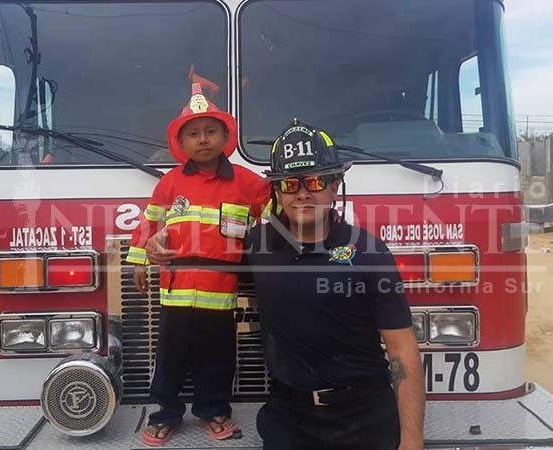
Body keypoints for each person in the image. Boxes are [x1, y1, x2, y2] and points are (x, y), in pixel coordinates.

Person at [145, 119, 425, 450]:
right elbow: (207, 259)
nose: (303, 193)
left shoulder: (370, 252)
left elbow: (402, 350)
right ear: (277, 192)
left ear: (335, 186)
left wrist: (411, 441)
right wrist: (154, 248)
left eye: (316, 181)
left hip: (365, 416)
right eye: (290, 184)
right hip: (288, 419)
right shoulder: (257, 245)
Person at [126, 83, 270, 446]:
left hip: (220, 295)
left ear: (225, 137)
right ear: (181, 142)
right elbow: (150, 223)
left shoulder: (249, 183)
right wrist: (140, 259)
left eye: (210, 131)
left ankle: (214, 411)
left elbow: (277, 212)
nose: (202, 140)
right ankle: (166, 413)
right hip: (174, 293)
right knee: (170, 357)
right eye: (193, 133)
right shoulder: (170, 183)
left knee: (218, 358)